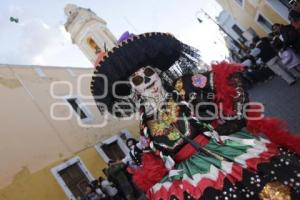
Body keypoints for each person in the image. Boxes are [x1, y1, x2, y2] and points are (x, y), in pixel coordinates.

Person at [91, 32, 300, 199]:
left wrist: (236, 119)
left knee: (276, 193)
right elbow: (152, 157)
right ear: (133, 89)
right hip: (192, 180)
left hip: (226, 154)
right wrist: (146, 161)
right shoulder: (145, 123)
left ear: (157, 72)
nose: (146, 81)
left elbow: (227, 78)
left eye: (148, 74)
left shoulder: (184, 87)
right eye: (137, 81)